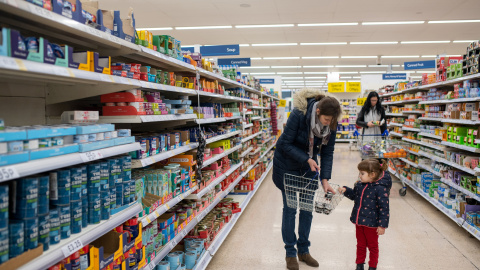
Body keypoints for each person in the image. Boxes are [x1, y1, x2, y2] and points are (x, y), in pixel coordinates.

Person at [272, 88, 342, 270]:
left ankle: (303, 250)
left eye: (332, 121)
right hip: (287, 165)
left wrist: (325, 179)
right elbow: (284, 143)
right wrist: (306, 158)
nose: (329, 124)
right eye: (326, 120)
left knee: (307, 210)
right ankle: (290, 253)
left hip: (309, 168)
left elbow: (328, 151)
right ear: (317, 111)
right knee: (290, 209)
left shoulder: (331, 122)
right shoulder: (298, 114)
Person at [339, 159, 392, 270]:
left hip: (372, 224)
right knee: (360, 244)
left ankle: (372, 266)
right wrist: (346, 190)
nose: (359, 176)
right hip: (359, 222)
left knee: (373, 246)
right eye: (359, 173)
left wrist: (382, 225)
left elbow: (384, 208)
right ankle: (359, 265)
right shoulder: (360, 185)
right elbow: (354, 196)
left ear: (372, 174)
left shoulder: (380, 189)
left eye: (362, 173)